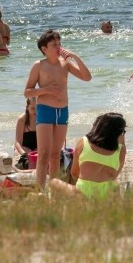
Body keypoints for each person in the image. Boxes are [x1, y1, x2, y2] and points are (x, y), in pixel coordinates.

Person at [24, 29, 92, 189]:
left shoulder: (66, 64)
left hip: (62, 111)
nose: (59, 47)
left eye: (59, 44)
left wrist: (75, 57)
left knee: (56, 155)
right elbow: (27, 91)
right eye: (54, 45)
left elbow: (87, 77)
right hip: (45, 109)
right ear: (44, 49)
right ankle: (40, 189)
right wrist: (45, 90)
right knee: (44, 154)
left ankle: (54, 189)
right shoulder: (39, 65)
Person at [49, 112, 126, 199]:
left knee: (54, 181)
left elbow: (74, 173)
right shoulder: (121, 150)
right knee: (116, 184)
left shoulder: (83, 142)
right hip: (107, 194)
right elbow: (114, 175)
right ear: (118, 133)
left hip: (83, 193)